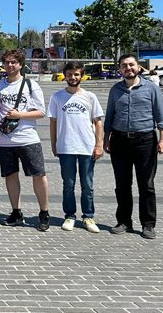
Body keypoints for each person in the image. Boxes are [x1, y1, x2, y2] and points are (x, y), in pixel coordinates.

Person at [104, 53, 163, 239]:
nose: (128, 68)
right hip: (120, 141)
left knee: (146, 184)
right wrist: (106, 139)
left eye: (131, 64)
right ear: (119, 69)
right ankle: (124, 221)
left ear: (138, 66)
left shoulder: (151, 88)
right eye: (124, 65)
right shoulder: (115, 90)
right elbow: (109, 116)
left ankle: (148, 224)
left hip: (145, 141)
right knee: (122, 185)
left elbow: (161, 114)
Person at [0, 49, 51, 231]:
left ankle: (44, 212)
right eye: (6, 62)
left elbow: (41, 112)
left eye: (14, 62)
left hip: (27, 138)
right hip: (3, 141)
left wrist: (19, 114)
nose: (10, 65)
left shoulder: (30, 85)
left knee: (38, 175)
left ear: (21, 64)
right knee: (10, 175)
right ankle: (16, 212)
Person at [47, 62, 104, 233]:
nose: (73, 77)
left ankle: (88, 216)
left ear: (82, 76)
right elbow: (53, 122)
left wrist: (99, 144)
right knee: (68, 184)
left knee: (87, 184)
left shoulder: (90, 97)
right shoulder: (57, 97)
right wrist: (54, 144)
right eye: (70, 74)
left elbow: (98, 122)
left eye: (77, 74)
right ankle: (69, 215)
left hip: (87, 146)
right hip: (66, 146)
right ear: (65, 75)